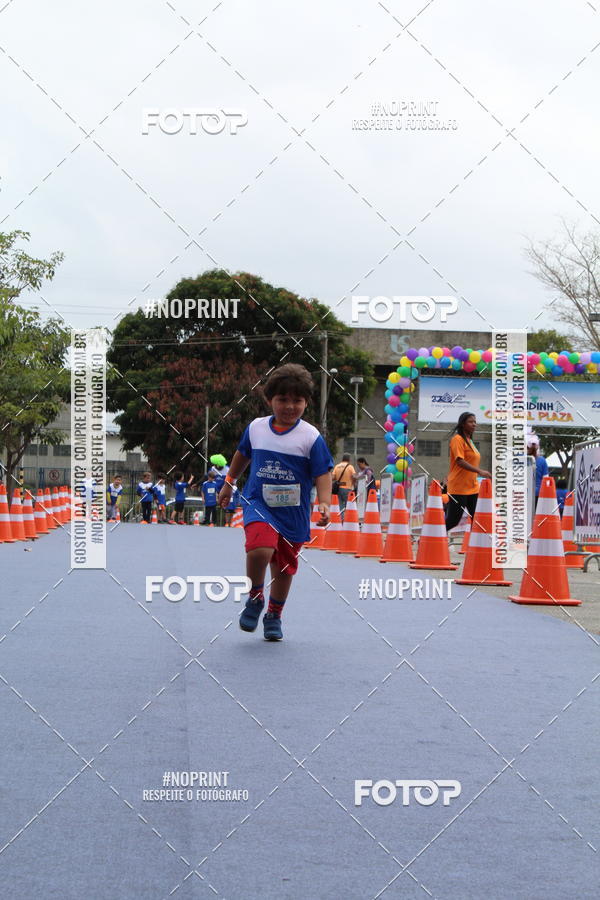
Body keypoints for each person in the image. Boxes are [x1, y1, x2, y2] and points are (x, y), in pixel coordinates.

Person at [217, 363, 332, 641]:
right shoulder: (256, 428)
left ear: (306, 402)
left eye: (297, 400)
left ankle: (274, 614)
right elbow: (242, 455)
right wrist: (229, 482)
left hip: (293, 511)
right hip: (259, 502)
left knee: (283, 567)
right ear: (270, 400)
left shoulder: (310, 436)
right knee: (259, 550)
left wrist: (325, 503)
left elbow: (322, 472)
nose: (289, 406)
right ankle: (255, 597)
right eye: (282, 399)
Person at [445, 413, 491, 532]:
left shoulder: (470, 441)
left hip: (472, 487)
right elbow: (460, 461)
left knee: (478, 518)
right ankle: (429, 536)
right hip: (459, 487)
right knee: (453, 520)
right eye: (471, 422)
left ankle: (475, 546)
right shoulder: (457, 439)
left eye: (475, 422)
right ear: (462, 424)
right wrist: (480, 471)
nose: (474, 424)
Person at [527, 434, 549, 500]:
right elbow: (546, 479)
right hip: (538, 493)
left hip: (524, 492)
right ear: (538, 447)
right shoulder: (542, 460)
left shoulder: (523, 459)